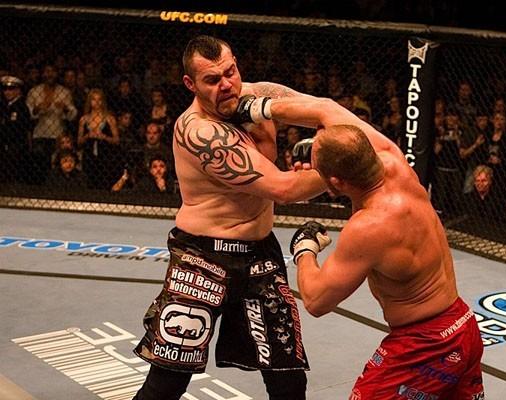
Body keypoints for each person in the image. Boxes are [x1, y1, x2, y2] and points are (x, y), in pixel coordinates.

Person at [232, 94, 485, 398]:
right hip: (463, 326)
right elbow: (326, 109)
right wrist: (260, 109)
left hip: (425, 347)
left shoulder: (369, 226)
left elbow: (316, 300)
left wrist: (305, 249)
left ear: (336, 183)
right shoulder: (394, 160)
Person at [132, 35, 326, 400]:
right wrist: (353, 169)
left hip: (261, 254)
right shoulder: (198, 130)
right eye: (212, 79)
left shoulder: (257, 96)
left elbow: (323, 110)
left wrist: (349, 142)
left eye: (230, 72)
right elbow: (283, 189)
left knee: (288, 378)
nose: (226, 84)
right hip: (202, 258)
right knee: (168, 382)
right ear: (190, 84)